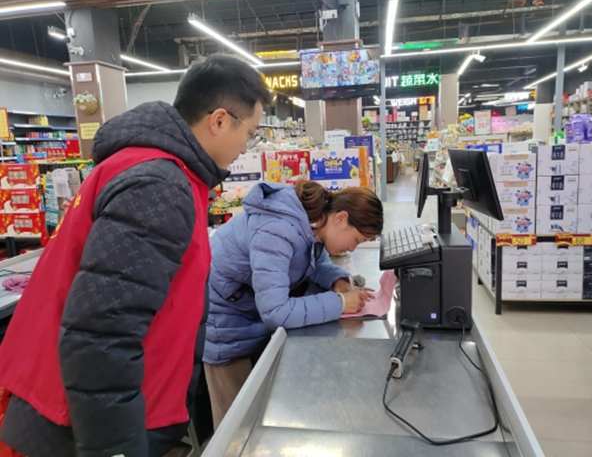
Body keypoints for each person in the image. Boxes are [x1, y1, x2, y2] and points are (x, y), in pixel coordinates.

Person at [0, 54, 271, 457]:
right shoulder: (159, 186)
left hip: (87, 413)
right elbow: (103, 331)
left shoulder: (149, 168)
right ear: (218, 120)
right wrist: (116, 449)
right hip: (78, 428)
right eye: (249, 132)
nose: (246, 146)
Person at [204, 180, 384, 427]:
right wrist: (341, 302)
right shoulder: (277, 229)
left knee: (259, 409)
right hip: (226, 325)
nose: (353, 249)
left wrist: (338, 282)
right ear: (341, 218)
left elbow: (312, 260)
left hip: (249, 309)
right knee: (236, 425)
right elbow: (276, 312)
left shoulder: (314, 222)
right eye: (357, 240)